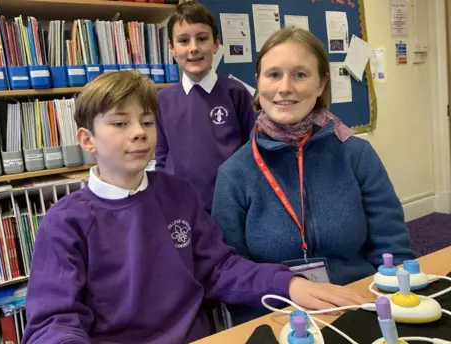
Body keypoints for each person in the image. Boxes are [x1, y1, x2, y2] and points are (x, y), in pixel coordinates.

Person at [22, 71, 368, 344]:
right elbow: (54, 321)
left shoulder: (177, 194)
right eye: (120, 123)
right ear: (87, 140)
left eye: (146, 121)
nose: (139, 132)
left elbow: (219, 269)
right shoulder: (65, 221)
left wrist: (288, 284)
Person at [211, 27, 416, 325]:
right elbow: (227, 270)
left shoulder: (356, 155)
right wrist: (283, 293)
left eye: (300, 75)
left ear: (321, 84)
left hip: (357, 305)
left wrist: (385, 309)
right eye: (273, 74)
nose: (284, 88)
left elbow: (393, 247)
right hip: (277, 314)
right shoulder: (234, 174)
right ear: (258, 82)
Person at [156, 1, 256, 213]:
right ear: (172, 49)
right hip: (180, 206)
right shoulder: (163, 100)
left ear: (216, 43)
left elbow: (251, 148)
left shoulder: (235, 93)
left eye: (202, 38)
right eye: (183, 41)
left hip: (230, 204)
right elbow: (161, 155)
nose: (193, 48)